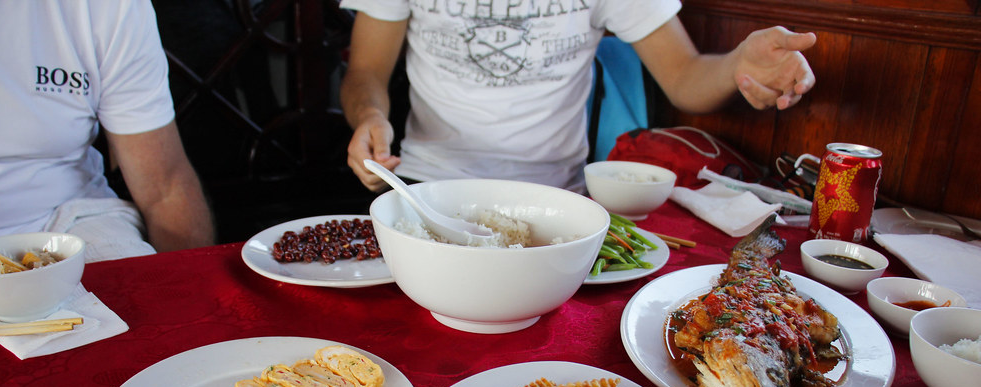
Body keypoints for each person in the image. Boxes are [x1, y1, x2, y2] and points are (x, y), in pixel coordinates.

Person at [339, 0, 817, 193]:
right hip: (423, 187)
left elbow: (685, 77)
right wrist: (370, 116)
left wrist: (738, 65)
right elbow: (364, 71)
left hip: (558, 197)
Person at [0, 0, 215, 263]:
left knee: (131, 295)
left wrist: (193, 290)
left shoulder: (106, 7)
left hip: (69, 218)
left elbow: (164, 188)